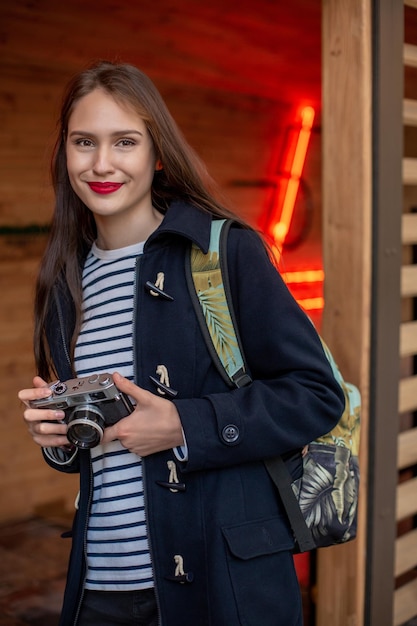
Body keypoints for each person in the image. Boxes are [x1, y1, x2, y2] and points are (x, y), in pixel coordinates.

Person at [18, 60, 345, 626]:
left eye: (125, 142)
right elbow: (98, 453)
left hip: (221, 584)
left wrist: (184, 425)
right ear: (64, 154)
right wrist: (58, 439)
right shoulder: (63, 282)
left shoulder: (223, 253)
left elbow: (316, 394)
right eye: (83, 142)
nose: (101, 164)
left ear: (156, 153)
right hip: (100, 584)